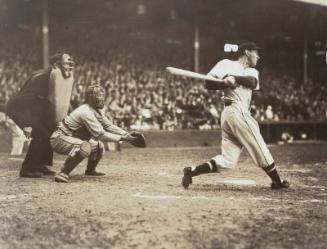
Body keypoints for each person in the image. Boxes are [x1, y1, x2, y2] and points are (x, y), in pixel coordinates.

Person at [182, 42, 290, 190]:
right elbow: (208, 83)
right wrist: (224, 83)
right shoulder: (225, 63)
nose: (258, 56)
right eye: (255, 52)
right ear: (247, 52)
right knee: (259, 145)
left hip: (234, 115)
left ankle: (192, 171)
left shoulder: (252, 71)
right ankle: (277, 181)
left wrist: (235, 78)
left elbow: (252, 82)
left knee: (228, 160)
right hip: (235, 111)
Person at [50, 84, 140, 183]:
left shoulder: (96, 110)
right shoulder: (85, 111)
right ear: (91, 98)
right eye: (99, 96)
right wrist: (124, 139)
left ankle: (90, 169)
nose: (101, 98)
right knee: (85, 147)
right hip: (59, 138)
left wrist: (126, 134)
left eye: (102, 95)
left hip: (71, 138)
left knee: (99, 146)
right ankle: (63, 172)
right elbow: (100, 134)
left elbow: (108, 125)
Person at [6, 52, 75, 177]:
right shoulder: (43, 77)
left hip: (37, 107)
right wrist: (27, 123)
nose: (70, 66)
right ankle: (27, 168)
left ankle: (40, 165)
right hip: (21, 108)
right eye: (66, 63)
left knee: (49, 133)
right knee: (41, 135)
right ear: (56, 64)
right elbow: (25, 99)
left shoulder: (55, 76)